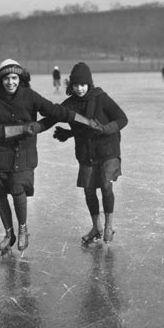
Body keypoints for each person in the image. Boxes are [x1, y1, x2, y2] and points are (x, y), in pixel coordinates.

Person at [0, 59, 97, 257]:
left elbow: (56, 111)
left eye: (14, 78)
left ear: (20, 78)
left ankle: (22, 229)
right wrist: (23, 128)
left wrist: (84, 120)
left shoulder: (28, 96)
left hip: (23, 153)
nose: (10, 82)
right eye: (6, 78)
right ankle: (9, 233)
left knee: (17, 190)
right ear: (1, 80)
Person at [40, 62, 128, 244]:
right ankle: (97, 227)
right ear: (71, 85)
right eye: (76, 85)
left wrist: (106, 128)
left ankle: (109, 227)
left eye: (83, 84)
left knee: (105, 186)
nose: (80, 89)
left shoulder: (101, 98)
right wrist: (32, 129)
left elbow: (122, 119)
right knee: (89, 190)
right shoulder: (70, 104)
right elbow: (51, 119)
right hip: (86, 152)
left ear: (89, 84)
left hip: (108, 149)